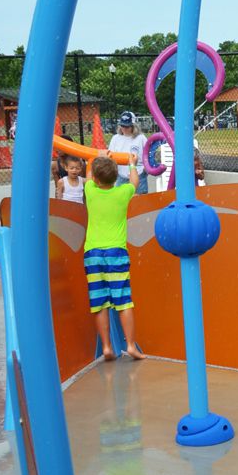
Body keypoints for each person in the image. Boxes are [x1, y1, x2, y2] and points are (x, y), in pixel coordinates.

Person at [83, 154, 145, 361]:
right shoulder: (123, 193)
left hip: (92, 254)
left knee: (99, 301)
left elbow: (89, 172)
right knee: (123, 300)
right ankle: (130, 345)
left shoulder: (90, 191)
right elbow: (135, 181)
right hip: (116, 252)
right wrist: (132, 163)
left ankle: (107, 347)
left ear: (96, 180)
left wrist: (97, 156)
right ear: (116, 177)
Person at [109, 111, 148, 196]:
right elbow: (111, 156)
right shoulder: (115, 138)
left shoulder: (141, 138)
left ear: (133, 126)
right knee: (121, 202)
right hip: (121, 175)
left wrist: (146, 168)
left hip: (138, 174)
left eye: (127, 126)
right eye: (122, 126)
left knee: (140, 203)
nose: (124, 128)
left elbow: (148, 154)